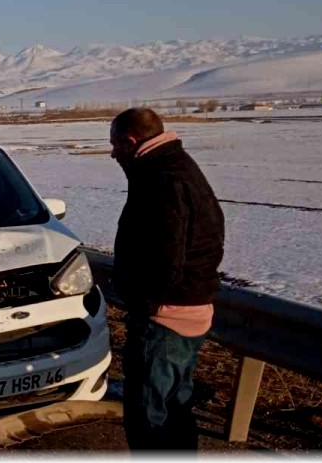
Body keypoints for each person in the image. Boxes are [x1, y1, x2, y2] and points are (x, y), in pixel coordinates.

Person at [109, 108, 225, 451]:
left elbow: (166, 255)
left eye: (115, 145)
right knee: (175, 407)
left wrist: (147, 304)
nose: (113, 153)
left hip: (166, 319)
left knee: (149, 416)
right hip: (188, 309)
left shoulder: (162, 178)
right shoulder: (176, 166)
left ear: (131, 141)